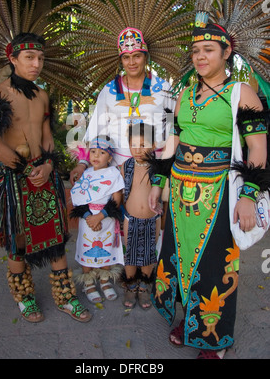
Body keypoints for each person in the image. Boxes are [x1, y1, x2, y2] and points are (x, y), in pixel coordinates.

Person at [148, 21, 268, 359]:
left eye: (208, 50)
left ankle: (213, 337)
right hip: (182, 195)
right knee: (179, 258)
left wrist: (248, 197)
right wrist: (159, 182)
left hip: (220, 192)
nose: (200, 57)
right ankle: (188, 322)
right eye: (196, 50)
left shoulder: (241, 92)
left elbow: (258, 148)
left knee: (215, 264)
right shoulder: (185, 91)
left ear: (226, 53)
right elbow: (174, 139)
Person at [0, 32, 91, 323]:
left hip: (44, 176)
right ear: (13, 59)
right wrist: (26, 171)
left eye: (40, 58)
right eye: (29, 58)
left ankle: (66, 297)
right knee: (18, 243)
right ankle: (24, 297)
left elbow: (48, 138)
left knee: (57, 240)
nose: (36, 64)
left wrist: (49, 167)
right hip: (16, 179)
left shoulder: (42, 96)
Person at [70, 27, 175, 183]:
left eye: (137, 56)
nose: (131, 62)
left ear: (145, 57)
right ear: (121, 61)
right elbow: (95, 130)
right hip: (113, 171)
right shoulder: (108, 91)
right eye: (126, 57)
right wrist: (83, 163)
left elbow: (174, 128)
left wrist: (165, 165)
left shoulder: (163, 89)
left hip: (153, 169)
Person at [70, 136, 124, 303]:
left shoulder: (114, 174)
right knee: (87, 247)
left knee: (105, 248)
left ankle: (104, 280)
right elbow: (79, 199)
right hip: (87, 222)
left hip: (106, 219)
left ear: (109, 157)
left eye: (101, 153)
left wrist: (100, 217)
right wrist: (89, 218)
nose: (96, 156)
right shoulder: (85, 175)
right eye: (93, 151)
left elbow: (116, 200)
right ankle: (88, 282)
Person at [120, 123, 162, 310]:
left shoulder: (158, 168)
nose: (138, 150)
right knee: (130, 252)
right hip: (130, 218)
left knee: (148, 252)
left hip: (152, 218)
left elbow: (165, 194)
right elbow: (120, 193)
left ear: (153, 145)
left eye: (144, 144)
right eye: (134, 144)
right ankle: (130, 284)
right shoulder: (126, 166)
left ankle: (144, 285)